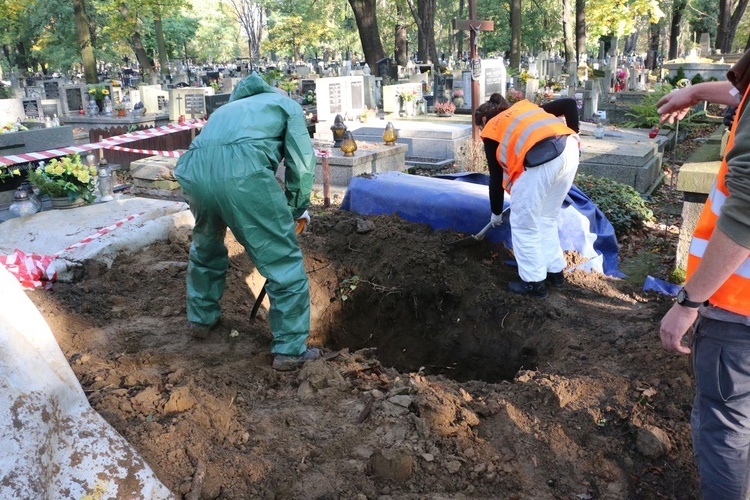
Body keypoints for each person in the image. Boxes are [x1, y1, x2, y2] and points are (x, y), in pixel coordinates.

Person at [175, 71, 319, 371]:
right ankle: (290, 349)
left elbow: (204, 150)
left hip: (195, 175)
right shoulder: (285, 105)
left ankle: (201, 320)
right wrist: (294, 207)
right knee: (283, 263)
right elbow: (302, 164)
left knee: (206, 248)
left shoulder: (224, 110)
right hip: (243, 178)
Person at [657, 49, 750, 499]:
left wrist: (688, 302)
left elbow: (747, 211)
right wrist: (695, 90)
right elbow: (738, 92)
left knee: (726, 425)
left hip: (738, 305)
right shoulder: (744, 89)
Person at [475, 93, 580, 299]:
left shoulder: (492, 129)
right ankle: (554, 273)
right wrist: (575, 133)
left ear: (485, 120)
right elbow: (569, 103)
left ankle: (533, 283)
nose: (482, 131)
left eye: (480, 126)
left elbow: (496, 178)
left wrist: (496, 213)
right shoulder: (525, 109)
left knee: (524, 223)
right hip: (569, 150)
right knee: (545, 218)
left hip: (542, 160)